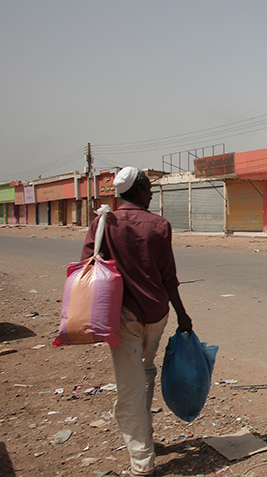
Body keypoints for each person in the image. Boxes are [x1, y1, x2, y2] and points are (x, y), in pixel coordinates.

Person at [81, 167, 192, 476]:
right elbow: (168, 275)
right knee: (144, 370)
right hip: (157, 313)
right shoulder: (159, 225)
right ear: (140, 190)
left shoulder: (103, 223)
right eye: (149, 188)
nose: (152, 193)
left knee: (130, 384)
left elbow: (89, 264)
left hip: (122, 314)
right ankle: (146, 441)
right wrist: (182, 314)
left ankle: (142, 463)